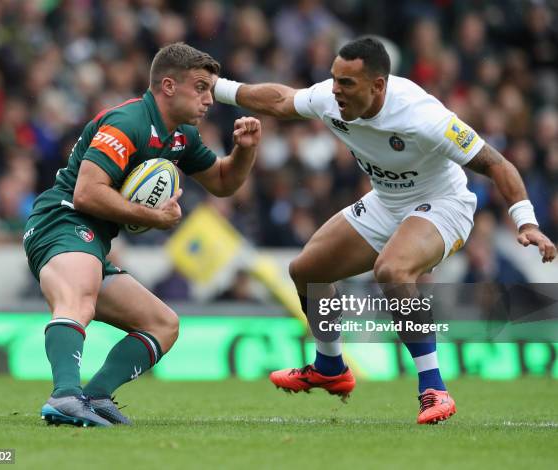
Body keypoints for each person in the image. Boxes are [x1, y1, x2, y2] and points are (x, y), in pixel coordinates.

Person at [213, 37, 556, 424]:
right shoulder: (329, 97)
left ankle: (434, 388)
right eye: (334, 79)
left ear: (378, 85)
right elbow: (280, 100)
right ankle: (329, 366)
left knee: (392, 271)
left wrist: (526, 221)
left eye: (347, 83)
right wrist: (216, 88)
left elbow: (497, 163)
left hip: (444, 206)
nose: (336, 90)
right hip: (386, 202)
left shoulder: (422, 116)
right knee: (306, 271)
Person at [23, 42, 261, 427]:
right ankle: (65, 395)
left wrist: (245, 151)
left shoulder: (181, 136)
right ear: (168, 86)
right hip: (60, 221)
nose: (208, 100)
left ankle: (96, 396)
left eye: (210, 90)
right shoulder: (128, 123)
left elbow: (221, 181)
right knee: (78, 299)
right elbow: (86, 192)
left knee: (162, 324)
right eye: (200, 87)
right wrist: (149, 216)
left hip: (92, 239)